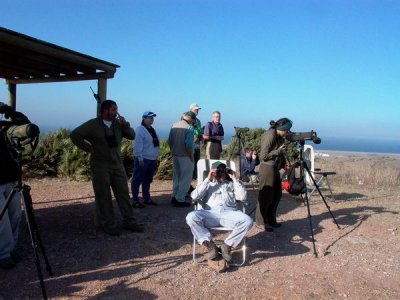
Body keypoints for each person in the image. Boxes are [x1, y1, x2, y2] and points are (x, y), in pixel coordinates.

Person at [70, 100, 143, 236]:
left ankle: (129, 221)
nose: (116, 112)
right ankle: (108, 224)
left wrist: (125, 124)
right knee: (103, 196)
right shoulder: (93, 124)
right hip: (100, 166)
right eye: (113, 109)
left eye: (116, 109)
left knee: (123, 194)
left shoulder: (118, 124)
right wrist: (89, 149)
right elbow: (75, 135)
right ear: (105, 111)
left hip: (117, 165)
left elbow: (132, 136)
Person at [186, 161, 253, 263]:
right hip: (210, 213)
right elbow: (194, 196)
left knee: (247, 221)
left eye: (223, 171)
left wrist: (234, 179)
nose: (221, 173)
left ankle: (227, 246)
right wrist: (208, 179)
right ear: (213, 172)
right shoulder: (207, 184)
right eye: (218, 171)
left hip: (229, 214)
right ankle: (210, 246)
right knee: (191, 217)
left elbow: (243, 197)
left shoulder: (231, 184)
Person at [0, 104, 31, 269]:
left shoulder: (6, 129)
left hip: (11, 177)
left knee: (15, 215)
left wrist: (11, 112)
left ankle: (11, 248)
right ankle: (4, 254)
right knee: (2, 219)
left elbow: (27, 126)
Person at [255, 118, 292, 232]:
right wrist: (278, 151)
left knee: (276, 195)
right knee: (266, 196)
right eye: (287, 130)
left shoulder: (279, 136)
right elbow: (263, 156)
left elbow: (279, 152)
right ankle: (261, 222)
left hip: (274, 167)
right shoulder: (270, 135)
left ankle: (271, 219)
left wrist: (283, 163)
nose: (288, 132)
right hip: (267, 168)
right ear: (281, 128)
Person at [130, 111, 160, 208]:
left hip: (152, 159)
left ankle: (146, 198)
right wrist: (139, 158)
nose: (152, 119)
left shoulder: (151, 129)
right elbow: (137, 145)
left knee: (147, 179)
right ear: (144, 118)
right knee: (137, 179)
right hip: (143, 159)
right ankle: (135, 200)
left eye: (153, 117)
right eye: (150, 117)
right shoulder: (140, 130)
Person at [168, 111, 196, 207]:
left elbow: (170, 141)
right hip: (185, 156)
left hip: (175, 155)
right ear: (191, 119)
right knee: (185, 179)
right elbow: (188, 145)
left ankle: (174, 196)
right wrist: (191, 157)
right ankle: (180, 199)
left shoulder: (174, 125)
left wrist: (173, 151)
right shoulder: (189, 128)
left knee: (177, 177)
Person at [189, 103, 202, 180]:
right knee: (190, 161)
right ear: (191, 110)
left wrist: (198, 137)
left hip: (197, 145)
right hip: (190, 145)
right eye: (196, 109)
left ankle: (195, 176)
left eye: (198, 110)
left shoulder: (198, 121)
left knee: (197, 161)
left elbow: (200, 131)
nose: (197, 111)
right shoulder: (187, 119)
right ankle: (190, 176)